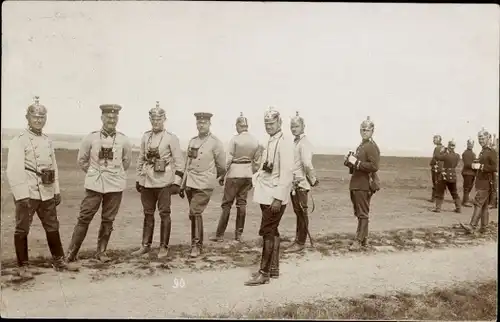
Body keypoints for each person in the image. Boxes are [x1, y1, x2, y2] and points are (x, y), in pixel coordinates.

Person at [6, 96, 79, 279]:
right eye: (35, 117)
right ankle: (23, 266)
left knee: (52, 226)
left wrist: (56, 190)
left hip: (46, 192)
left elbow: (53, 167)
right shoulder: (19, 140)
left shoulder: (47, 141)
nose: (38, 120)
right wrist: (21, 195)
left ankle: (59, 260)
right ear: (27, 118)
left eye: (42, 118)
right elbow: (14, 170)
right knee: (22, 228)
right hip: (28, 192)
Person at [66, 104, 133, 262]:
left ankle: (101, 252)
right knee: (84, 217)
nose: (111, 120)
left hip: (115, 185)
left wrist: (114, 173)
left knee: (108, 219)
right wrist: (94, 173)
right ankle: (71, 253)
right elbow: (82, 160)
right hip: (94, 184)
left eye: (114, 117)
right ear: (102, 118)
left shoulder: (124, 139)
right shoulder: (91, 137)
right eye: (108, 117)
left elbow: (126, 162)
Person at [244, 107, 293, 286]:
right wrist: (255, 179)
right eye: (266, 124)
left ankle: (263, 273)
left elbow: (287, 173)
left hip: (275, 196)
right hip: (266, 194)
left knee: (267, 231)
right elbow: (266, 167)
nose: (269, 127)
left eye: (272, 123)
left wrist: (279, 198)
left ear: (279, 123)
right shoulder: (271, 141)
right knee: (273, 230)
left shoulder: (285, 143)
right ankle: (273, 269)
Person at [131, 101, 184, 259]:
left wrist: (176, 182)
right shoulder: (146, 136)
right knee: (148, 213)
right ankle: (145, 245)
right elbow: (140, 158)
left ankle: (163, 247)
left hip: (163, 182)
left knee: (164, 214)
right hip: (147, 181)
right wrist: (139, 179)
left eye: (159, 119)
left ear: (164, 119)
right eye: (153, 120)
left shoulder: (171, 138)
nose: (156, 122)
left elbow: (179, 161)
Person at [180, 112, 226, 258]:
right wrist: (182, 183)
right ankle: (196, 242)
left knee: (195, 211)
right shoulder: (192, 141)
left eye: (204, 123)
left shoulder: (215, 142)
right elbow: (187, 163)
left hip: (204, 183)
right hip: (191, 182)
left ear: (209, 124)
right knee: (194, 214)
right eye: (199, 123)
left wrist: (211, 176)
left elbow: (222, 166)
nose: (201, 125)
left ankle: (196, 246)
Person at [210, 112, 261, 242]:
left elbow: (228, 160)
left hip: (234, 174)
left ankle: (220, 234)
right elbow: (257, 161)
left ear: (238, 126)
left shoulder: (235, 139)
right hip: (248, 174)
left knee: (227, 204)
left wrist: (222, 175)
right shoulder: (255, 140)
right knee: (242, 203)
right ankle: (238, 234)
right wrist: (252, 173)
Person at [343, 116, 380, 251]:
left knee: (362, 213)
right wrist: (349, 163)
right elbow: (358, 167)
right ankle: (363, 240)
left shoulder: (371, 146)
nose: (365, 132)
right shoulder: (362, 146)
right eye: (363, 130)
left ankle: (359, 241)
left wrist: (357, 163)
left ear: (372, 131)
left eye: (367, 130)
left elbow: (374, 166)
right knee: (360, 213)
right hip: (357, 183)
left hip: (364, 184)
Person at [285, 112, 319, 253]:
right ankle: (299, 239)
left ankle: (300, 242)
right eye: (292, 126)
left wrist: (313, 179)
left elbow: (307, 164)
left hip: (301, 184)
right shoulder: (295, 142)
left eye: (297, 126)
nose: (294, 129)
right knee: (298, 212)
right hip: (294, 183)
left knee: (302, 213)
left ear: (303, 127)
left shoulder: (304, 143)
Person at [461, 128, 497, 234]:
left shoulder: (491, 151)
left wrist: (481, 166)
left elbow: (495, 167)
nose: (480, 140)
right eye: (479, 138)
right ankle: (484, 228)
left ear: (487, 138)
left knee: (477, 203)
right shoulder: (483, 151)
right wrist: (476, 163)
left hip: (486, 181)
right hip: (481, 180)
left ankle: (472, 226)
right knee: (484, 205)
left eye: (482, 138)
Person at [432, 140, 461, 213]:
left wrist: (442, 151)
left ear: (449, 146)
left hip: (445, 175)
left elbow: (437, 157)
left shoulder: (446, 155)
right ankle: (458, 208)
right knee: (454, 192)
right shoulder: (457, 156)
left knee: (440, 192)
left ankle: (438, 208)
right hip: (453, 175)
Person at [461, 138, 476, 207]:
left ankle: (465, 200)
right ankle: (466, 202)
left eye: (472, 144)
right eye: (469, 144)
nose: (470, 145)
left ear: (473, 145)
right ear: (467, 144)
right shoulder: (465, 153)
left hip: (472, 173)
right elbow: (467, 164)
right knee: (467, 187)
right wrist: (475, 165)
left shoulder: (473, 153)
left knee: (469, 186)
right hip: (467, 173)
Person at [429, 135, 444, 202]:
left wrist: (431, 163)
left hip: (436, 168)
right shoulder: (443, 148)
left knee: (435, 182)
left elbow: (435, 158)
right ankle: (439, 197)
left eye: (434, 139)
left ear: (438, 140)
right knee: (439, 183)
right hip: (441, 168)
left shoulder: (437, 148)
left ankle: (434, 198)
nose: (433, 140)